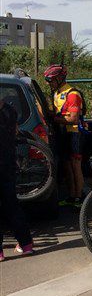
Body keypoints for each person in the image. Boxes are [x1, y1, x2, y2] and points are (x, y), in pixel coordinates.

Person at [45, 64, 86, 207]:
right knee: (67, 165)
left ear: (60, 78)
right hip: (63, 133)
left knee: (75, 166)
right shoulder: (57, 93)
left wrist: (54, 119)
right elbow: (61, 112)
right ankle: (71, 195)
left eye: (51, 81)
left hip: (74, 133)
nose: (49, 84)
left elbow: (73, 118)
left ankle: (79, 198)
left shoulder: (73, 94)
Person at [0, 96, 34, 261]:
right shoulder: (10, 110)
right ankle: (26, 244)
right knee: (12, 205)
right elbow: (15, 131)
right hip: (7, 164)